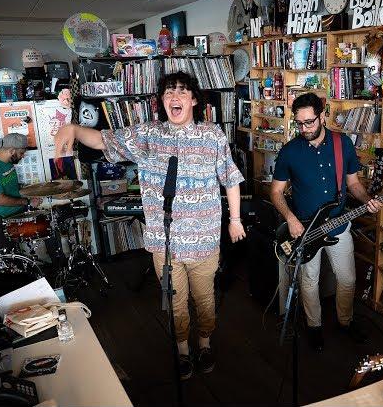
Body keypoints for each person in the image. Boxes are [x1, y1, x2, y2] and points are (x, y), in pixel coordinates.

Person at [54, 71, 246, 380]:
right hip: (164, 241)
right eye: (169, 92)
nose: (175, 97)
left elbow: (231, 178)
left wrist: (235, 220)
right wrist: (74, 128)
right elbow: (104, 139)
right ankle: (183, 352)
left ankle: (205, 344)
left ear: (194, 100)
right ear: (161, 101)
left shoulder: (212, 135)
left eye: (182, 92)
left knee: (205, 299)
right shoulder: (148, 134)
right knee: (175, 301)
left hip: (205, 240)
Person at [270, 93, 382, 352]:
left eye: (309, 122)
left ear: (322, 116)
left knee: (347, 279)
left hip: (339, 225)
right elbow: (275, 192)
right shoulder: (289, 151)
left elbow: (353, 184)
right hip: (305, 230)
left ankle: (345, 321)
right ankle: (314, 326)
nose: (304, 128)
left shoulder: (342, 144)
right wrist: (291, 218)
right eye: (299, 123)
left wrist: (367, 199)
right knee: (309, 281)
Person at [0, 133, 43, 251]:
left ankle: (58, 263)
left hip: (13, 209)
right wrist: (27, 202)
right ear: (12, 151)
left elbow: (11, 187)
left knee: (46, 222)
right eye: (21, 153)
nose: (23, 157)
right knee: (8, 254)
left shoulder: (7, 162)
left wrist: (34, 191)